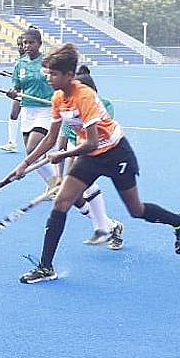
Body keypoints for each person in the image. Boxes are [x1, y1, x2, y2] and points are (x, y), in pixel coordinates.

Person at [9, 43, 180, 284]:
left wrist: (61, 156)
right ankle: (46, 267)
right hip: (91, 156)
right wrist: (24, 164)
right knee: (62, 201)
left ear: (68, 75)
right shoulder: (57, 97)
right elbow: (50, 139)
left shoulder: (84, 96)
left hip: (116, 154)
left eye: (53, 74)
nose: (49, 79)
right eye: (48, 74)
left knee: (136, 210)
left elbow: (93, 143)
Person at [58, 65, 124, 247]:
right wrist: (58, 176)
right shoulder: (68, 106)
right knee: (74, 198)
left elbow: (98, 137)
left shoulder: (103, 105)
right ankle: (109, 225)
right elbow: (62, 142)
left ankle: (106, 228)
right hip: (75, 150)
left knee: (84, 189)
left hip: (98, 151)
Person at [5, 27, 57, 196]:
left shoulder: (47, 62)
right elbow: (17, 86)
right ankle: (53, 183)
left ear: (39, 44)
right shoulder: (20, 63)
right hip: (28, 110)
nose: (27, 46)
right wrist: (13, 91)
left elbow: (57, 81)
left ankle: (57, 184)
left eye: (31, 43)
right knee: (32, 152)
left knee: (33, 149)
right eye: (25, 43)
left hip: (46, 110)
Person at [0, 35, 28, 153]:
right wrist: (7, 73)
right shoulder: (19, 60)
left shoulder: (30, 59)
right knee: (13, 114)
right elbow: (18, 76)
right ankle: (12, 143)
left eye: (22, 45)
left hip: (29, 93)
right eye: (19, 45)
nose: (20, 47)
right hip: (20, 91)